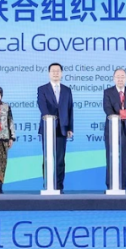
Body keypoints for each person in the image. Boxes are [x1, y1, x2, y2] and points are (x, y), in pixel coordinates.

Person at [36, 62, 73, 191]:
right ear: (49, 73)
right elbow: (42, 105)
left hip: (62, 128)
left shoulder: (67, 90)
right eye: (53, 71)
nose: (56, 73)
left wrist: (70, 128)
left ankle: (59, 186)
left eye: (58, 71)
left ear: (61, 73)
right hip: (47, 127)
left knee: (60, 159)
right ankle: (47, 184)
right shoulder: (42, 89)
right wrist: (47, 116)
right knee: (47, 157)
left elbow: (70, 109)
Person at [102, 68, 126, 192]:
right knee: (111, 157)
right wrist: (115, 117)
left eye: (122, 76)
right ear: (114, 78)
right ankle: (110, 185)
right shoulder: (108, 92)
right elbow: (107, 108)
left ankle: (123, 186)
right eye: (118, 76)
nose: (120, 79)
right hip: (112, 128)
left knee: (124, 159)